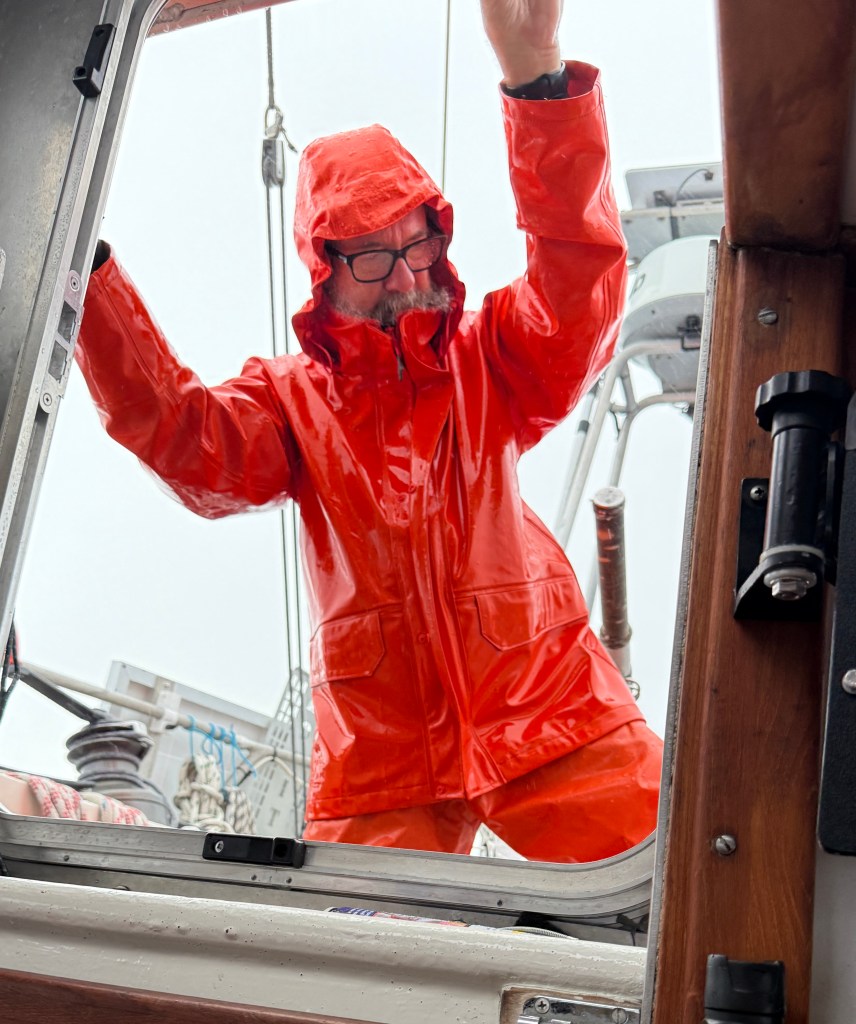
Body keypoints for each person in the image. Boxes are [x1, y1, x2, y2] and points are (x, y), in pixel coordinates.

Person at [75, 0, 662, 861]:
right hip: (379, 762)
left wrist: (540, 85)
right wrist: (84, 269)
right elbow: (182, 438)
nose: (402, 277)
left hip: (551, 708)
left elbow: (579, 293)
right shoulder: (287, 399)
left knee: (679, 881)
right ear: (325, 270)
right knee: (348, 941)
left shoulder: (491, 352)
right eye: (372, 256)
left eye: (415, 245)